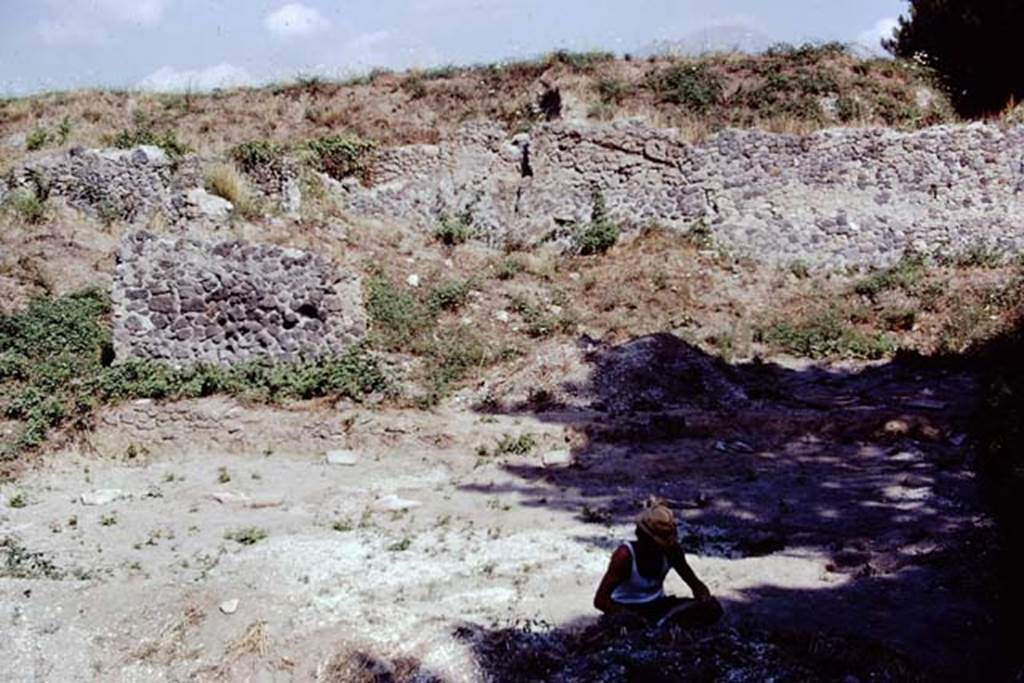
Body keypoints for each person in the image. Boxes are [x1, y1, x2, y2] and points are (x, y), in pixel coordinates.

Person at [593, 500, 722, 628]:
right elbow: (600, 601)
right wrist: (631, 617)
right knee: (628, 626)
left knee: (712, 609)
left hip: (658, 605)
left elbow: (694, 583)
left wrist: (704, 598)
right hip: (625, 607)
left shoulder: (672, 551)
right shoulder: (624, 556)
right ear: (643, 538)